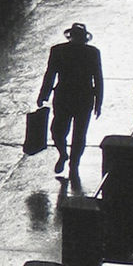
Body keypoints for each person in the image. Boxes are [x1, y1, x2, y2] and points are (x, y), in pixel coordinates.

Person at [37, 22, 103, 177]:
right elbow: (98, 78)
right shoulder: (92, 53)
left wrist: (44, 95)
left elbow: (50, 75)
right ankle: (73, 162)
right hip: (84, 97)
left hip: (63, 96)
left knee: (58, 130)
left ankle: (67, 157)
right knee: (77, 133)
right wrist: (98, 101)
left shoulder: (58, 51)